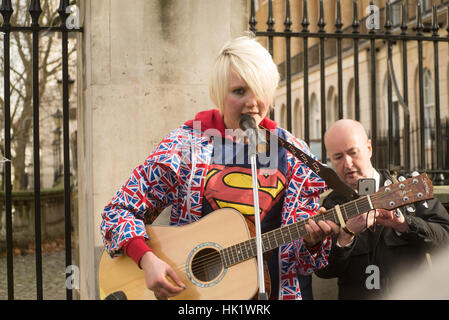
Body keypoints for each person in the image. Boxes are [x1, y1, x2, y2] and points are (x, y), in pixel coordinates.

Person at [100, 35, 339, 300]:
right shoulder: (185, 147)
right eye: (239, 91)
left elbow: (305, 263)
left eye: (260, 90)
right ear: (219, 94)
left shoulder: (296, 157)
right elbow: (118, 211)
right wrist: (145, 258)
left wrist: (312, 242)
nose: (252, 102)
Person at [315, 119, 449, 299]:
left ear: (369, 149)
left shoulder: (407, 188)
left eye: (353, 153)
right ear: (329, 159)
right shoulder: (331, 205)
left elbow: (445, 240)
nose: (347, 164)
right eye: (338, 157)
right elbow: (324, 271)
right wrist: (345, 236)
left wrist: (404, 224)